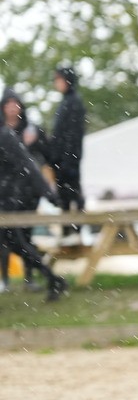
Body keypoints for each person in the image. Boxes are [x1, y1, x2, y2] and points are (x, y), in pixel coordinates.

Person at [0, 111, 68, 301]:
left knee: (17, 244)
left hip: (8, 202)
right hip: (5, 200)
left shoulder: (5, 136)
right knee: (17, 245)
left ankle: (52, 279)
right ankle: (53, 279)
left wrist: (48, 194)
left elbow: (27, 165)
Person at [0, 88, 47, 292]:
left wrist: (31, 144)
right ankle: (5, 280)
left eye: (15, 104)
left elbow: (40, 160)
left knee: (25, 236)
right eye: (8, 104)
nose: (12, 108)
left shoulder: (31, 130)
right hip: (6, 193)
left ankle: (30, 278)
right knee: (4, 238)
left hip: (27, 193)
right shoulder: (2, 132)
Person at [41, 65, 86, 236]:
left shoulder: (73, 102)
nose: (56, 83)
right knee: (65, 196)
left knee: (72, 195)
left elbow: (72, 135)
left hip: (69, 160)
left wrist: (67, 159)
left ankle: (75, 231)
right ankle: (69, 231)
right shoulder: (66, 102)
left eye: (58, 79)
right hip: (62, 160)